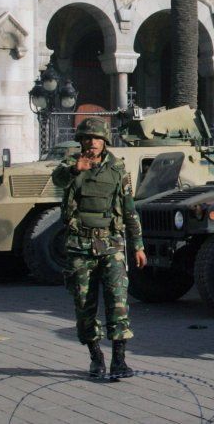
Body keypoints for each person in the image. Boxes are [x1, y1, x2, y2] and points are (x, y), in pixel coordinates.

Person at [51, 117, 147, 380]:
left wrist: (137, 246)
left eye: (96, 138)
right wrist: (75, 170)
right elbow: (56, 180)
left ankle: (119, 360)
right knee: (84, 306)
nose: (92, 143)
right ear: (81, 141)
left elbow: (130, 210)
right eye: (87, 138)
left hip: (111, 245)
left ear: (105, 141)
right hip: (79, 246)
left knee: (118, 303)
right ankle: (96, 357)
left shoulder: (117, 169)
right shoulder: (71, 165)